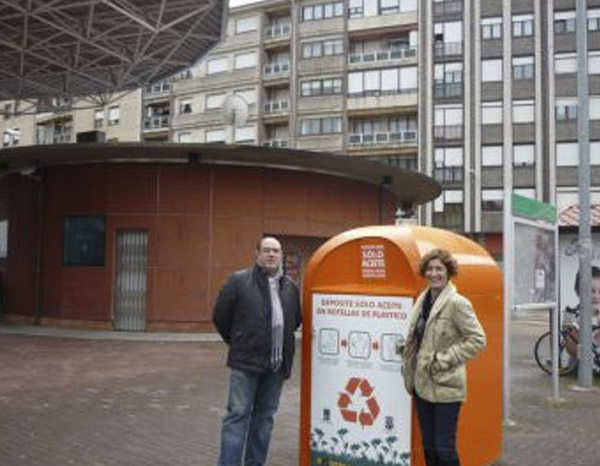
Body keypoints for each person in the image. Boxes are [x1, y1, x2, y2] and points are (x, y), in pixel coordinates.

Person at [213, 236, 302, 466]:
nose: (271, 254)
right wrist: (239, 342)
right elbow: (220, 316)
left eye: (276, 251)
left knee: (264, 420)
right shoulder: (239, 281)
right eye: (266, 250)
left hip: (276, 367)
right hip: (246, 364)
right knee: (237, 418)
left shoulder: (291, 288)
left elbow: (295, 321)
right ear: (257, 254)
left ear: (281, 255)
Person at [399, 248, 486, 466]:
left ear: (448, 272)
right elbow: (420, 336)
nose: (434, 273)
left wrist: (442, 360)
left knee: (444, 448)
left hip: (446, 386)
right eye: (429, 269)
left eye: (439, 268)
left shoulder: (458, 303)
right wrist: (405, 348)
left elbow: (477, 340)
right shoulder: (422, 299)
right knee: (429, 446)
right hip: (421, 383)